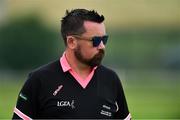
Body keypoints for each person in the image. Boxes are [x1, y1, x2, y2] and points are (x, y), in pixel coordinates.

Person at [12, 8, 131, 119]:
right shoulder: (39, 80)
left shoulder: (111, 79)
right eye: (96, 41)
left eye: (104, 40)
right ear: (71, 42)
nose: (102, 46)